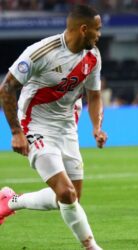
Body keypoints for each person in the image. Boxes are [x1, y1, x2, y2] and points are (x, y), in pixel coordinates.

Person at [0, 5, 106, 250]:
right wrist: (16, 132)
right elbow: (6, 88)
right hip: (36, 124)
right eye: (97, 30)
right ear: (83, 29)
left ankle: (10, 201)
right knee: (67, 194)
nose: (99, 35)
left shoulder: (93, 56)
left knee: (70, 199)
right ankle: (91, 246)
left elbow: (95, 95)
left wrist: (97, 127)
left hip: (68, 126)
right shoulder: (40, 53)